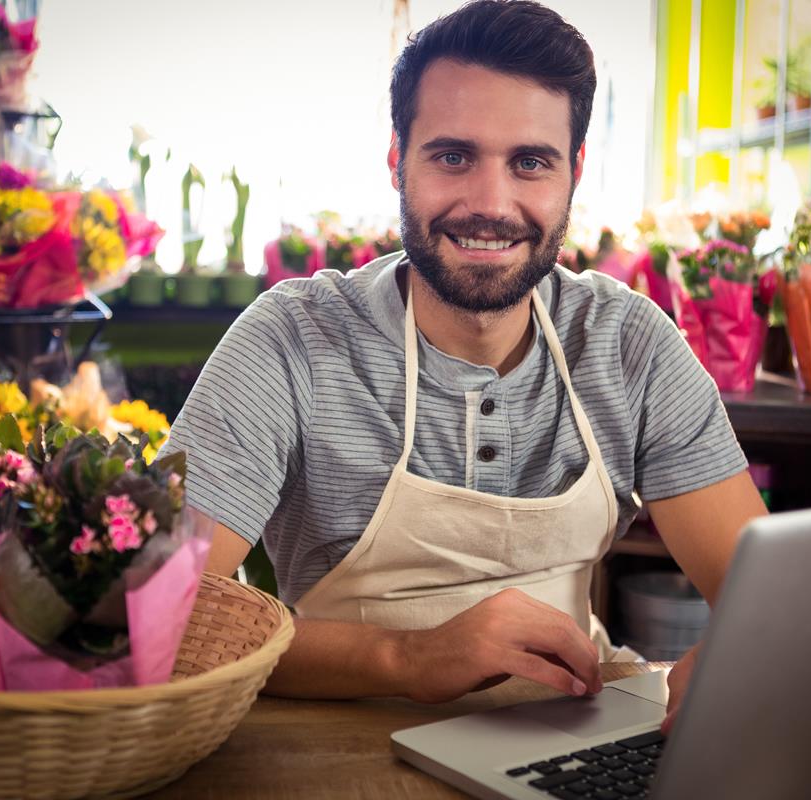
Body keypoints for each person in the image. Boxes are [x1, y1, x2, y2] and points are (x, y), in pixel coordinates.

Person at [159, 0, 765, 726]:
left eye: (530, 163)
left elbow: (761, 597)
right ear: (397, 160)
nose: (490, 203)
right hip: (336, 746)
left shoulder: (629, 344)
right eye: (453, 156)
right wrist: (408, 660)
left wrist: (747, 648)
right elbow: (160, 617)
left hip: (573, 732)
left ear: (573, 171)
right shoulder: (293, 341)